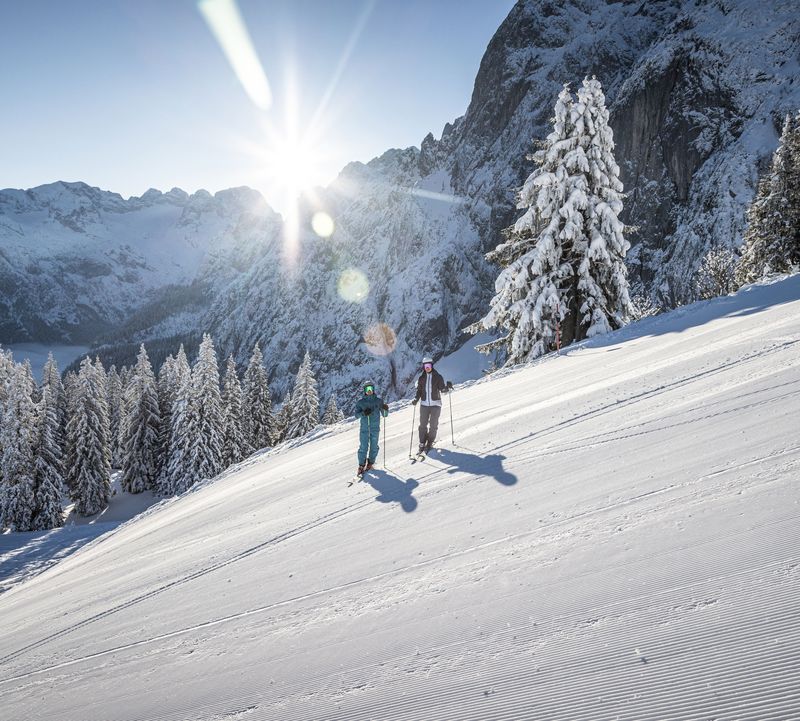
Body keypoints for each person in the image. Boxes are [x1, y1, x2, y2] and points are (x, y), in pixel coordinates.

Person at [411, 356, 453, 455]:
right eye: (426, 366)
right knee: (422, 425)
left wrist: (448, 387)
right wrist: (416, 399)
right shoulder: (422, 378)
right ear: (423, 367)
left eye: (429, 365)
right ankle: (422, 442)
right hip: (424, 404)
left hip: (436, 405)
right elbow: (419, 391)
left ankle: (429, 441)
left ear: (432, 366)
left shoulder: (438, 377)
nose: (427, 368)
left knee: (433, 425)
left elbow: (442, 389)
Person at [354, 381, 389, 476]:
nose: (369, 391)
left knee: (374, 447)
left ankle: (370, 463)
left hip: (374, 428)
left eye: (370, 389)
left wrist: (385, 409)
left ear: (373, 390)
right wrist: (363, 413)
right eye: (367, 389)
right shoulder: (361, 403)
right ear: (364, 391)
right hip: (364, 429)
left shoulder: (378, 401)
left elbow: (384, 415)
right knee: (363, 447)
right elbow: (356, 416)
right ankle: (361, 465)